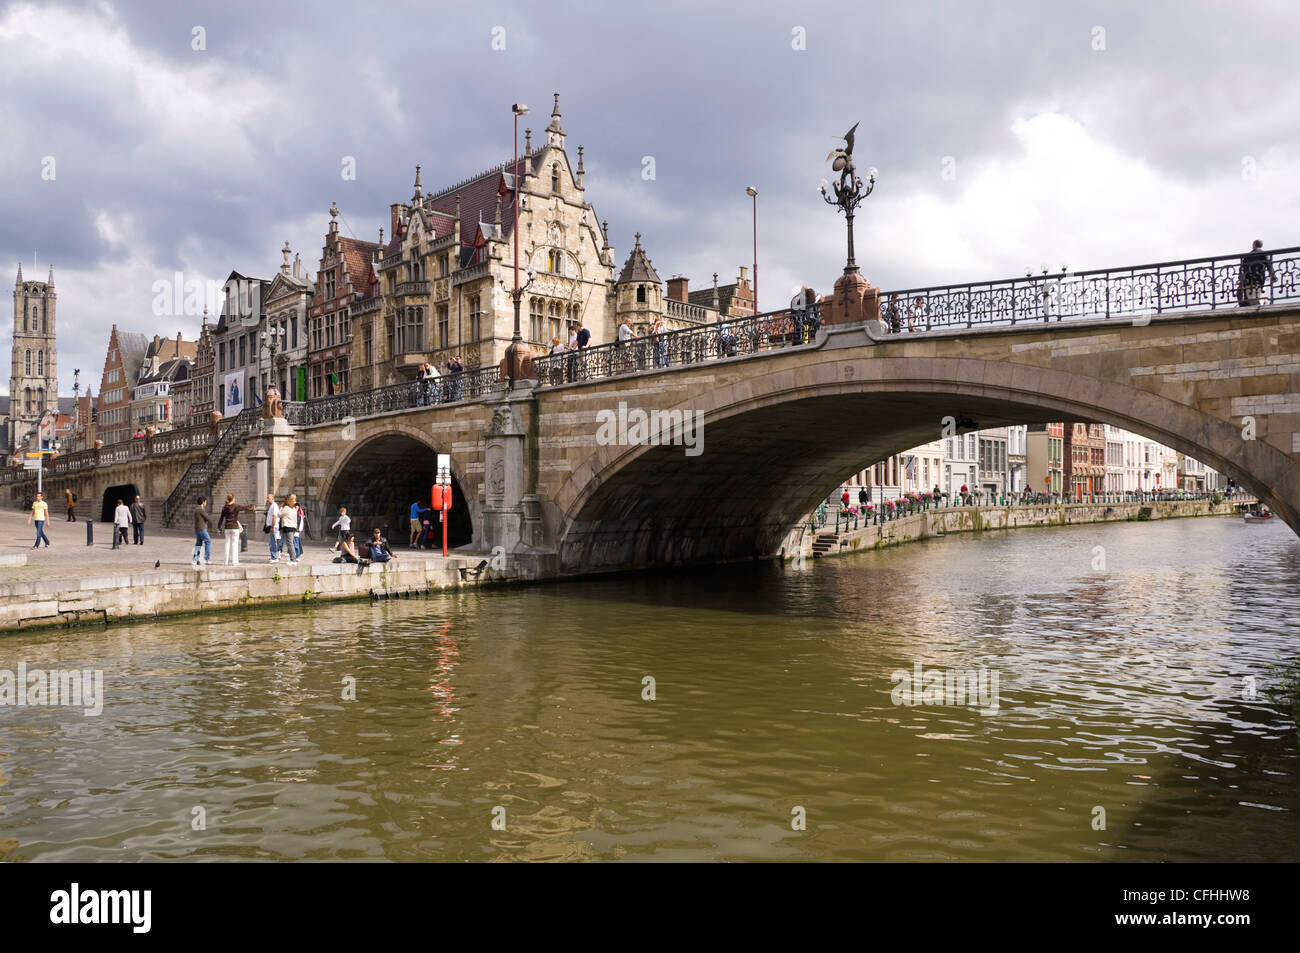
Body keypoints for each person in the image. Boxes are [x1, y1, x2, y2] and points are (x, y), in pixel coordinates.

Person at [218, 493, 254, 565]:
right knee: (234, 544)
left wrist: (219, 528)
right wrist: (251, 506)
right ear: (233, 499)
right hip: (234, 527)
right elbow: (244, 508)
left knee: (227, 544)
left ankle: (225, 562)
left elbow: (221, 518)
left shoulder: (224, 507)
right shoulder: (236, 506)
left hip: (227, 527)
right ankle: (235, 562)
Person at [1240, 239, 1274, 306]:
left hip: (1248, 280)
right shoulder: (1264, 254)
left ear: (1253, 245)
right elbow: (1269, 265)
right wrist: (1272, 276)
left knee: (1250, 298)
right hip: (1259, 280)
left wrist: (1242, 279)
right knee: (1257, 297)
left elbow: (1242, 268)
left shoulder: (1247, 256)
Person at [279, 493, 301, 566]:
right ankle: (293, 559)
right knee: (291, 543)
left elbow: (279, 514)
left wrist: (282, 507)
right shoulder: (294, 509)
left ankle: (293, 560)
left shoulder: (286, 508)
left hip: (288, 527)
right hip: (293, 527)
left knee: (290, 544)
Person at [192, 496, 212, 567]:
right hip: (202, 528)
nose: (206, 503)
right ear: (203, 502)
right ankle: (207, 558)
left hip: (197, 529)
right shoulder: (200, 509)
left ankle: (195, 559)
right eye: (205, 501)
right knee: (208, 541)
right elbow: (207, 517)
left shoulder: (196, 509)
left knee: (198, 544)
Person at [264, 493, 281, 562]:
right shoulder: (271, 506)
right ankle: (273, 556)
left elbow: (274, 517)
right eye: (267, 498)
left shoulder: (274, 506)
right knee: (272, 542)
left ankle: (275, 557)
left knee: (273, 542)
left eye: (268, 498)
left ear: (272, 498)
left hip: (274, 527)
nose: (267, 499)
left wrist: (272, 526)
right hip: (271, 526)